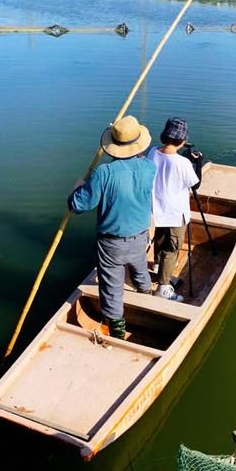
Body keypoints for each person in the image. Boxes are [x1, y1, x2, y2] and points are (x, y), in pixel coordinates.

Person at [68, 115, 156, 339]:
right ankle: (146, 292)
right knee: (139, 266)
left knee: (111, 284)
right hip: (139, 234)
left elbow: (80, 204)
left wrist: (78, 188)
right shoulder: (148, 167)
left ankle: (117, 328)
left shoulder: (103, 173)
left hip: (111, 242)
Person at [147, 117, 199, 302]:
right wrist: (198, 162)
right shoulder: (182, 163)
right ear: (182, 140)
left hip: (158, 209)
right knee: (172, 248)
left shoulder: (152, 151)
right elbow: (196, 184)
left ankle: (158, 269)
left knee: (160, 239)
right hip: (176, 213)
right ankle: (163, 287)